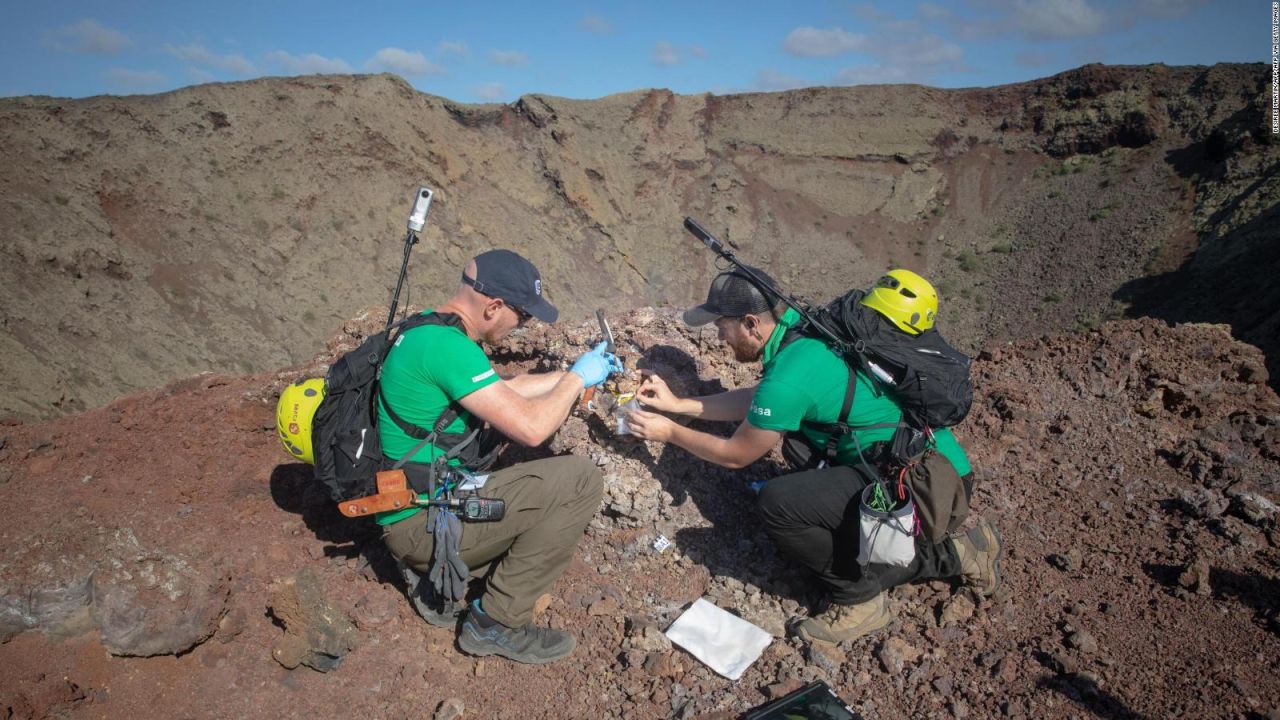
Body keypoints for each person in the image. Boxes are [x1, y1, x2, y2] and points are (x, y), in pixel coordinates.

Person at [625, 266, 1002, 645]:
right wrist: (680, 405)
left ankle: (861, 600)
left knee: (780, 503)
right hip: (934, 467)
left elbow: (736, 455)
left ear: (752, 323)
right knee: (813, 511)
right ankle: (964, 552)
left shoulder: (790, 374)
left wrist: (669, 432)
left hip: (928, 490)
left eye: (722, 325)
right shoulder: (804, 329)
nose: (719, 336)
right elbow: (762, 400)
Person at [376, 248, 619, 664]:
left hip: (413, 504)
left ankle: (437, 574)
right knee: (579, 480)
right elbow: (531, 429)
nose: (522, 326)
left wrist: (567, 378)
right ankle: (496, 624)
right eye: (522, 316)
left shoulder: (430, 331)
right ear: (493, 307)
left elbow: (502, 392)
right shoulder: (449, 348)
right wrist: (578, 377)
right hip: (423, 525)